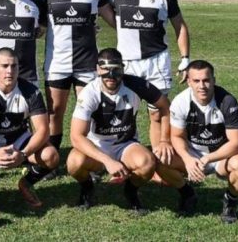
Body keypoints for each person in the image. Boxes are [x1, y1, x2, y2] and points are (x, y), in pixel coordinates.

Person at [67, 48, 172, 214]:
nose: (111, 75)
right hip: (97, 145)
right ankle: (87, 188)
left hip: (126, 144)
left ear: (123, 68)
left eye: (115, 70)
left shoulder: (136, 84)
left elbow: (165, 107)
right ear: (97, 69)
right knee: (74, 163)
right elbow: (76, 136)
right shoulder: (89, 93)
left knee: (147, 164)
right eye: (105, 70)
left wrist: (165, 140)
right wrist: (107, 161)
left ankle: (131, 191)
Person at [108, 0, 190, 157]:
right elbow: (96, 9)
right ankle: (125, 155)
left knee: (157, 113)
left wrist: (185, 58)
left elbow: (180, 26)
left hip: (156, 61)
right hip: (127, 63)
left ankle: (159, 157)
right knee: (125, 113)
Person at [36, 0, 115, 155]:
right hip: (57, 63)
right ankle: (53, 157)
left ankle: (90, 158)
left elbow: (112, 20)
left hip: (87, 63)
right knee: (55, 112)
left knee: (89, 111)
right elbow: (39, 26)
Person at [158, 60, 238, 223]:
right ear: (188, 81)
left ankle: (230, 201)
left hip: (221, 156)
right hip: (192, 154)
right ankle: (187, 194)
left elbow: (237, 143)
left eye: (206, 80)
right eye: (196, 81)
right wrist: (187, 159)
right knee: (160, 159)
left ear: (214, 80)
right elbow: (177, 136)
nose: (202, 86)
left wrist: (208, 158)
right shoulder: (180, 101)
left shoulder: (227, 101)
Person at [0, 48, 59, 208]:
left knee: (51, 156)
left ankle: (26, 184)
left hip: (19, 141)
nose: (9, 71)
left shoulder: (31, 91)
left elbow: (43, 130)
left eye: (14, 66)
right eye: (4, 66)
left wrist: (23, 154)